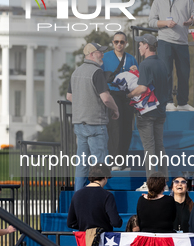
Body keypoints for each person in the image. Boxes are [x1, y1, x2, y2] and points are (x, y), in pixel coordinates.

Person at [67, 42, 119, 191]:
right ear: (91, 55)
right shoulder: (97, 72)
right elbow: (106, 99)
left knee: (82, 163)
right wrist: (116, 110)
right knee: (99, 162)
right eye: (99, 52)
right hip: (96, 123)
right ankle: (98, 194)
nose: (102, 55)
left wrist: (83, 102)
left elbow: (69, 96)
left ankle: (78, 195)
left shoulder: (75, 72)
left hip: (79, 123)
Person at [148, 0, 194, 112]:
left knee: (184, 73)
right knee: (167, 72)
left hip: (182, 42)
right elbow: (151, 22)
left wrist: (192, 20)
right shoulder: (158, 1)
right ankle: (168, 102)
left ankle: (183, 103)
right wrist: (165, 23)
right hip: (165, 41)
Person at [127, 34, 170, 178]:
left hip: (147, 113)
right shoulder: (162, 63)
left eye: (140, 44)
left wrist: (129, 95)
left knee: (149, 148)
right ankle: (163, 181)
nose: (139, 47)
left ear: (146, 46)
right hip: (160, 111)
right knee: (159, 147)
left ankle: (152, 183)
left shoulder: (146, 64)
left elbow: (143, 88)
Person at [101, 31, 138, 170]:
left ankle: (123, 161)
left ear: (126, 43)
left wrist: (134, 71)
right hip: (112, 94)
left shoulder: (131, 59)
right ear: (112, 43)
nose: (119, 44)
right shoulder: (106, 57)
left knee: (126, 128)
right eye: (116, 42)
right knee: (115, 127)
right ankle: (115, 161)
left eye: (122, 42)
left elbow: (137, 79)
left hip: (127, 95)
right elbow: (100, 77)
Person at [67, 165, 123, 232]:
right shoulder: (107, 195)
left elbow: (70, 223)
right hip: (103, 238)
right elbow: (116, 222)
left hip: (85, 238)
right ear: (105, 177)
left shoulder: (77, 194)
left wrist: (86, 228)